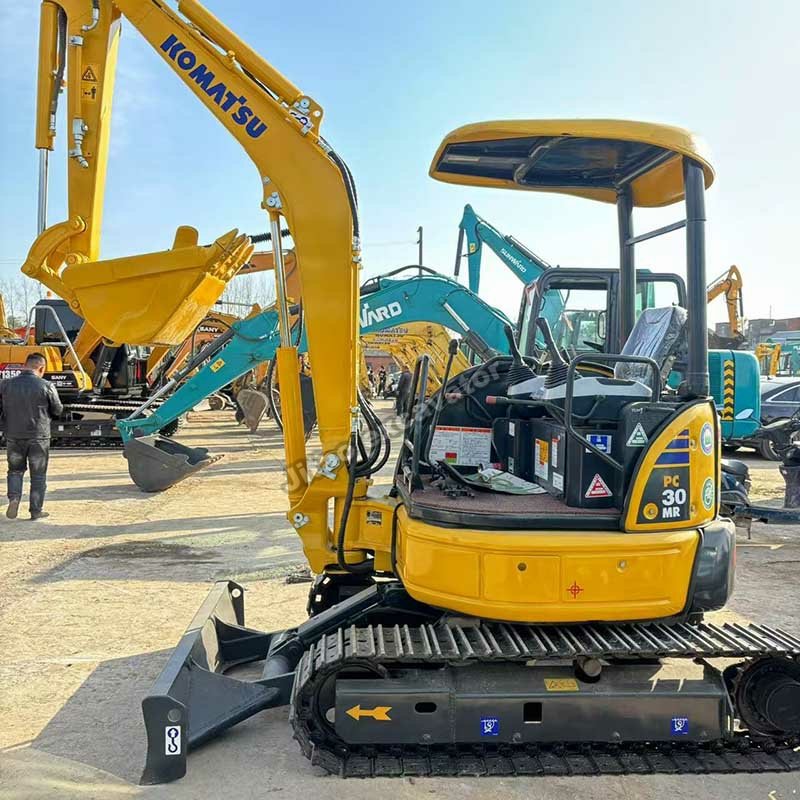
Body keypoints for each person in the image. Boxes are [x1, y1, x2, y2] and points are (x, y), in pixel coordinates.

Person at [0, 353, 62, 520]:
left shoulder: (5, 385)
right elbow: (57, 409)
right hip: (39, 437)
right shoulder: (46, 385)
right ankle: (36, 511)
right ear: (41, 368)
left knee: (14, 471)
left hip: (14, 436)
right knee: (38, 475)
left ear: (24, 365)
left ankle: (14, 498)